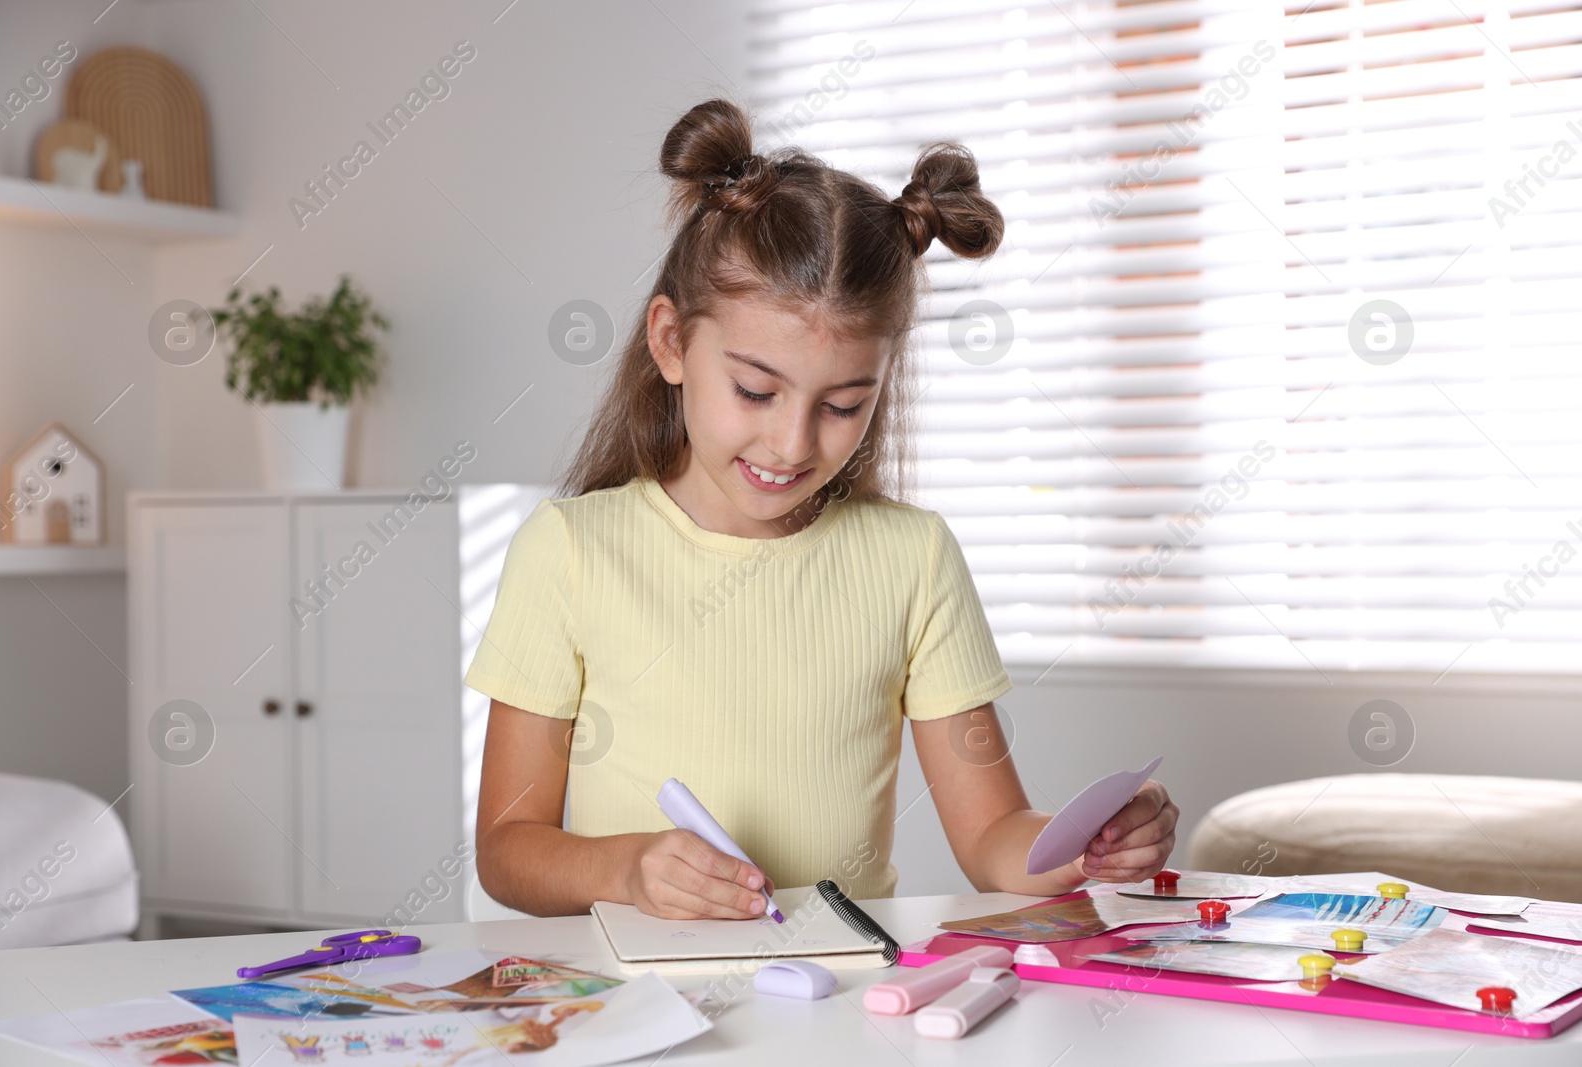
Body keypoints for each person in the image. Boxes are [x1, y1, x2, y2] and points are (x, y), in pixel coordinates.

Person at [468, 98, 1177, 920]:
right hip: (644, 1012)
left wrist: (1086, 843)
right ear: (670, 342)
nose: (791, 443)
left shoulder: (913, 558)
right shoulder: (569, 552)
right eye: (755, 390)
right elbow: (508, 848)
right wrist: (626, 870)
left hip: (837, 1002)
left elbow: (993, 838)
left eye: (843, 403)